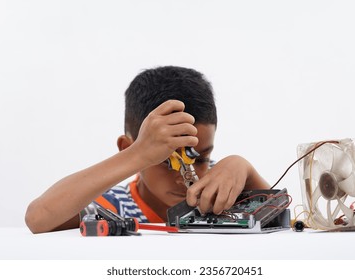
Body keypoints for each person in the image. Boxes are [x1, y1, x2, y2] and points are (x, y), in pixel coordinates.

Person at [25, 66, 270, 233]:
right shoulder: (114, 208)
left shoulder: (220, 190)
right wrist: (137, 155)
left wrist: (244, 169)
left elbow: (280, 223)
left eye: (202, 158)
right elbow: (38, 218)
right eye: (166, 159)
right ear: (127, 149)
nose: (183, 176)